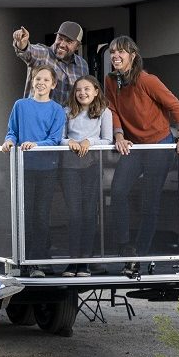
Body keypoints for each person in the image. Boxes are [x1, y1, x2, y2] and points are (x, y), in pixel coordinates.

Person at [105, 35, 179, 278]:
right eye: (112, 52)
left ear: (132, 56)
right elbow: (112, 110)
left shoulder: (147, 80)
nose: (116, 56)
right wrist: (119, 136)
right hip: (134, 146)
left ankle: (140, 256)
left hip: (159, 145)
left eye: (121, 52)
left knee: (149, 202)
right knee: (118, 191)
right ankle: (126, 249)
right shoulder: (111, 81)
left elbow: (175, 105)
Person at [1, 64, 66, 277]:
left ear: (53, 85)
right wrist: (9, 142)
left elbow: (55, 140)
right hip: (23, 168)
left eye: (46, 80)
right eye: (38, 79)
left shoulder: (57, 110)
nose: (41, 83)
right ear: (32, 81)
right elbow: (12, 132)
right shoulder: (20, 105)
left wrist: (37, 145)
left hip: (46, 169)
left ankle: (38, 261)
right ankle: (21, 261)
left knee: (40, 215)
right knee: (23, 214)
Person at [60, 76, 113, 277]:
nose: (82, 93)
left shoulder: (104, 112)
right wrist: (71, 143)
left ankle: (85, 262)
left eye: (87, 89)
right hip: (70, 168)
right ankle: (72, 261)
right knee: (74, 214)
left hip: (92, 167)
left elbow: (107, 140)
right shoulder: (66, 112)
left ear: (96, 91)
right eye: (78, 90)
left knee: (89, 214)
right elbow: (59, 138)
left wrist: (89, 142)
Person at [12, 21, 90, 105]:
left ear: (77, 46)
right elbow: (28, 51)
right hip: (38, 116)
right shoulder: (43, 54)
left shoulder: (82, 65)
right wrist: (22, 43)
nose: (62, 44)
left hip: (67, 117)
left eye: (69, 41)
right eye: (60, 38)